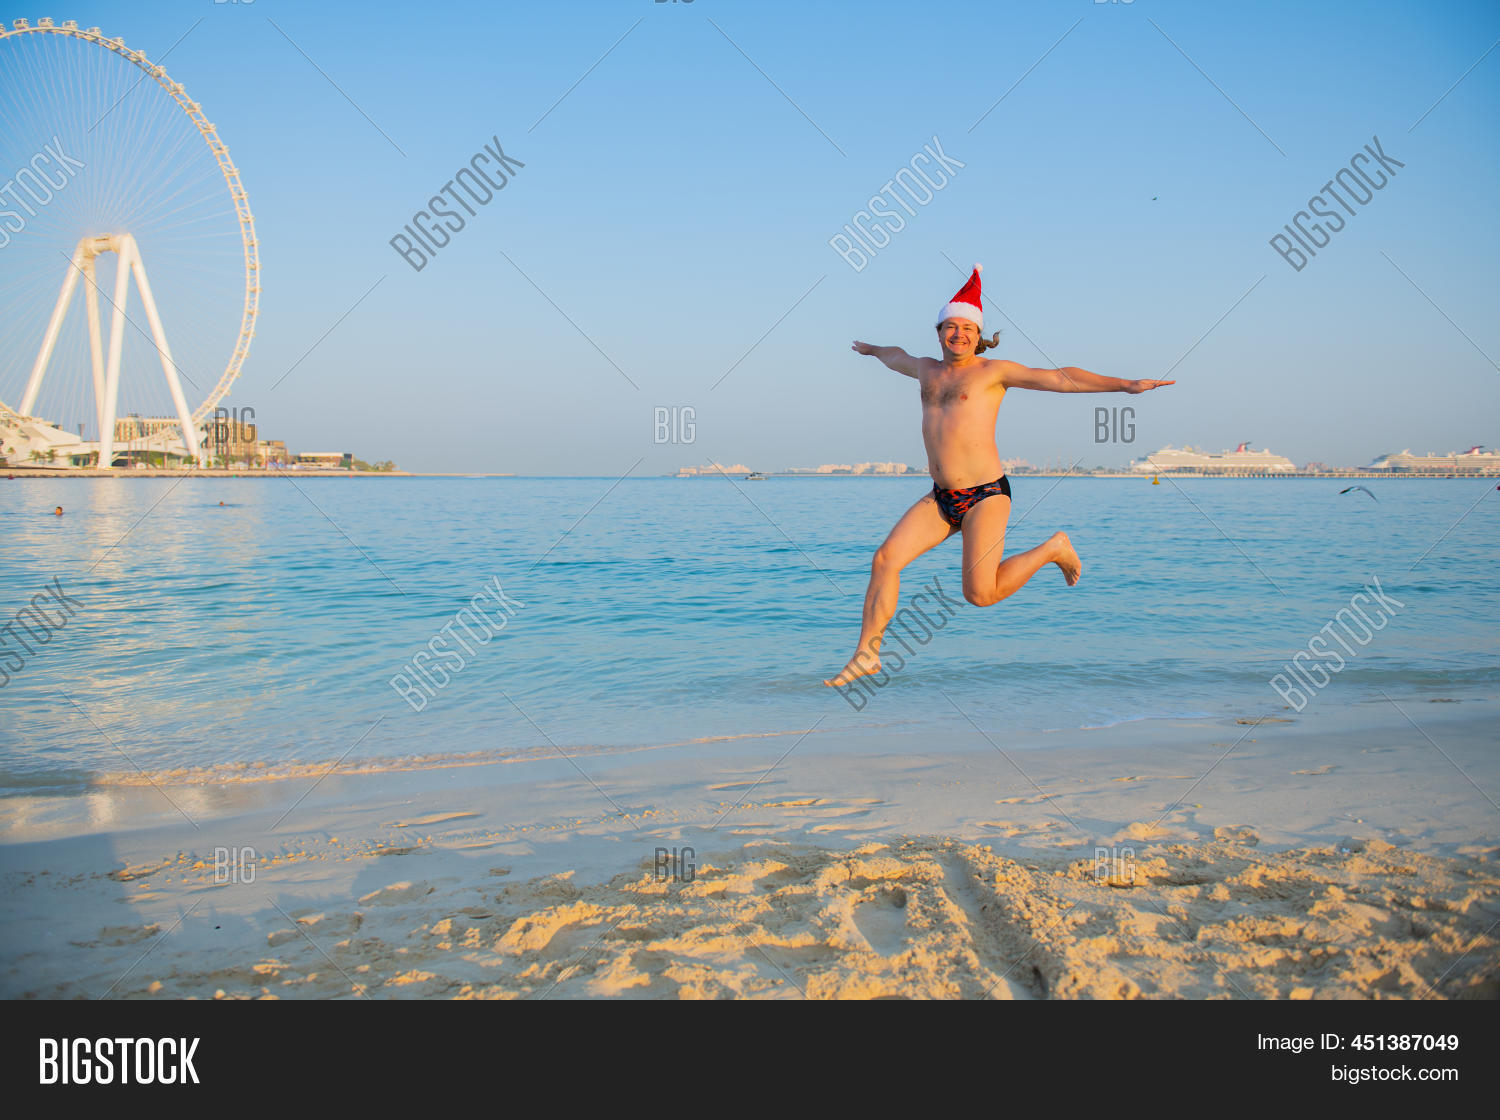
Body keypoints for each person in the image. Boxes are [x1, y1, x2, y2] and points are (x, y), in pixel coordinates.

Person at [824, 264, 1175, 687]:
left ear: (978, 335)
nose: (958, 334)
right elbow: (894, 355)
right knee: (885, 559)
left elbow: (1061, 378)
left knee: (980, 594)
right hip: (941, 497)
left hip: (986, 495)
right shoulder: (926, 369)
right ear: (939, 332)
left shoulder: (993, 372)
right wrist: (871, 350)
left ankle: (1054, 548)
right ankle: (867, 654)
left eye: (967, 328)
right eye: (951, 327)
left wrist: (1125, 385)